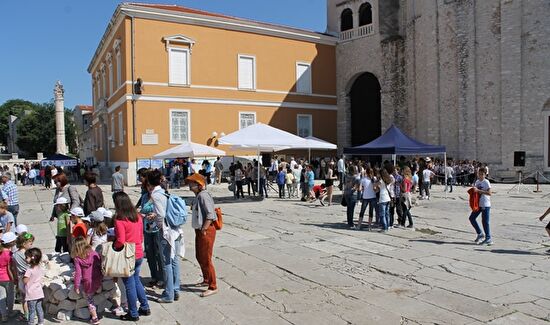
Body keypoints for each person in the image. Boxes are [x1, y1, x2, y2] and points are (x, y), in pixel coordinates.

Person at [113, 192, 150, 321]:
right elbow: (141, 236)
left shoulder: (120, 219)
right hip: (138, 252)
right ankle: (145, 306)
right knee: (136, 280)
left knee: (129, 284)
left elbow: (121, 241)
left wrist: (114, 246)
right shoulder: (137, 216)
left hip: (128, 255)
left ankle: (133, 313)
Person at [147, 170, 182, 303]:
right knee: (174, 261)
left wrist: (157, 225)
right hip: (175, 229)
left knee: (166, 262)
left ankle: (169, 294)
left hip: (166, 232)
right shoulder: (164, 192)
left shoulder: (156, 195)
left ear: (150, 182)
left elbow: (161, 215)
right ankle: (176, 289)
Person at [186, 173, 218, 297]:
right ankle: (206, 279)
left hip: (206, 230)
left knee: (206, 258)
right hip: (199, 229)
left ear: (199, 185)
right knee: (199, 256)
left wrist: (204, 229)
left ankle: (213, 285)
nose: (190, 186)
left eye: (192, 184)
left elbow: (210, 214)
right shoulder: (199, 196)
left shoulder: (204, 196)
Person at [139, 177, 164, 289]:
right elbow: (141, 211)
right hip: (147, 228)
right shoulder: (144, 197)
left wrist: (155, 214)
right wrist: (143, 215)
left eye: (151, 186)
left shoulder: (158, 197)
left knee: (159, 253)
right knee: (150, 254)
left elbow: (163, 211)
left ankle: (162, 278)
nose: (150, 188)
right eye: (148, 186)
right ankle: (154, 277)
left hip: (157, 229)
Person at [72, 236, 102, 324]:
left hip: (87, 281)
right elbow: (99, 263)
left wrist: (76, 286)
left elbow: (78, 273)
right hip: (97, 278)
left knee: (90, 299)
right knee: (96, 291)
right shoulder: (93, 253)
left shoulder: (77, 258)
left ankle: (94, 317)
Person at [468, 167, 493, 246]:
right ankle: (480, 233)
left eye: (482, 174)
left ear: (485, 175)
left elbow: (489, 193)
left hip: (485, 204)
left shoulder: (486, 182)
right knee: (472, 218)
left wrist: (478, 191)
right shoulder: (477, 181)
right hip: (478, 204)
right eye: (479, 174)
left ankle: (488, 238)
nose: (480, 176)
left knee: (485, 222)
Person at [14, 232, 33, 323]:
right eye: (30, 243)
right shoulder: (28, 254)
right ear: (24, 243)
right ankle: (32, 314)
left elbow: (13, 267)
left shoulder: (14, 254)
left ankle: (26, 314)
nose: (31, 244)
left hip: (20, 278)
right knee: (31, 297)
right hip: (29, 278)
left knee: (23, 298)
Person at [23, 247, 44, 325]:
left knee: (32, 310)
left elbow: (25, 281)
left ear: (32, 258)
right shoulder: (39, 268)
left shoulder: (29, 270)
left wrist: (23, 277)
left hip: (31, 294)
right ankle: (41, 322)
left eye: (26, 257)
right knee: (39, 308)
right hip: (39, 292)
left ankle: (31, 322)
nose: (25, 259)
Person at [0, 232, 16, 322]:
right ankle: (10, 312)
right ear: (11, 243)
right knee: (10, 295)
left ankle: (3, 315)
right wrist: (13, 279)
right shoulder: (9, 254)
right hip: (7, 278)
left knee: (1, 297)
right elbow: (10, 268)